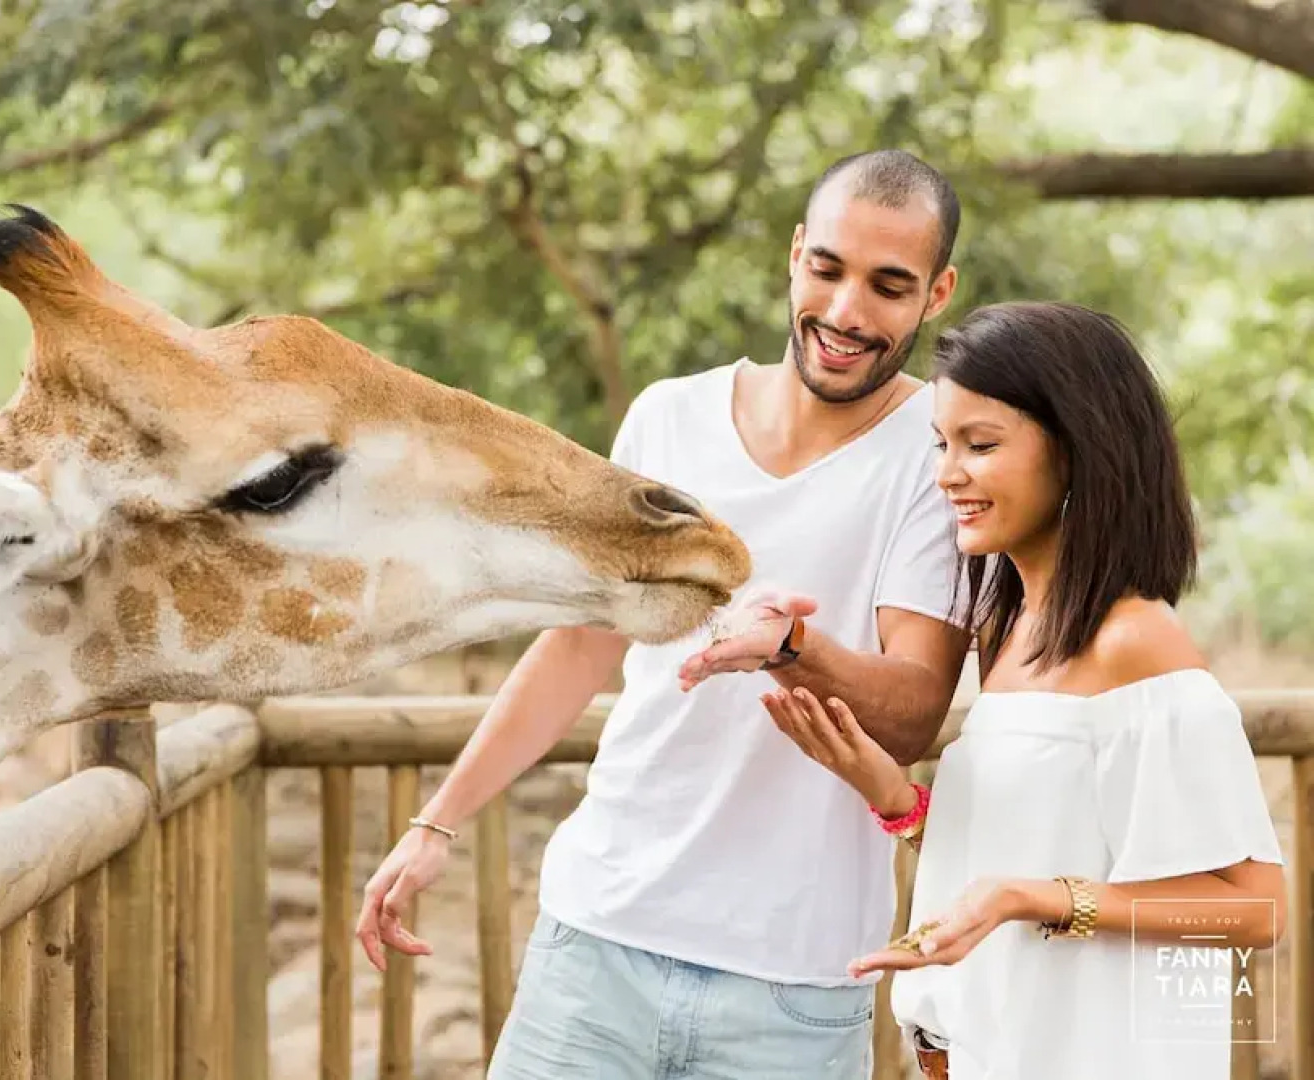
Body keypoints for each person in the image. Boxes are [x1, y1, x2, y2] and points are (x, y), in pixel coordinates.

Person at [355, 148, 973, 1078]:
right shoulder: (666, 418)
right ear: (794, 253)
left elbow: (914, 709)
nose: (846, 313)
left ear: (935, 294)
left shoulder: (932, 455)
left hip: (791, 988)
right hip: (595, 943)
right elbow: (576, 647)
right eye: (828, 269)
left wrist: (791, 648)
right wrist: (434, 824)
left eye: (888, 286)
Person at [699, 300, 1287, 1078]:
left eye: (980, 445)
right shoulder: (1011, 637)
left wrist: (1033, 899)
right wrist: (891, 796)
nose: (947, 473)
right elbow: (1035, 840)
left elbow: (1253, 908)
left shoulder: (1134, 645)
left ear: (1077, 451)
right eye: (942, 443)